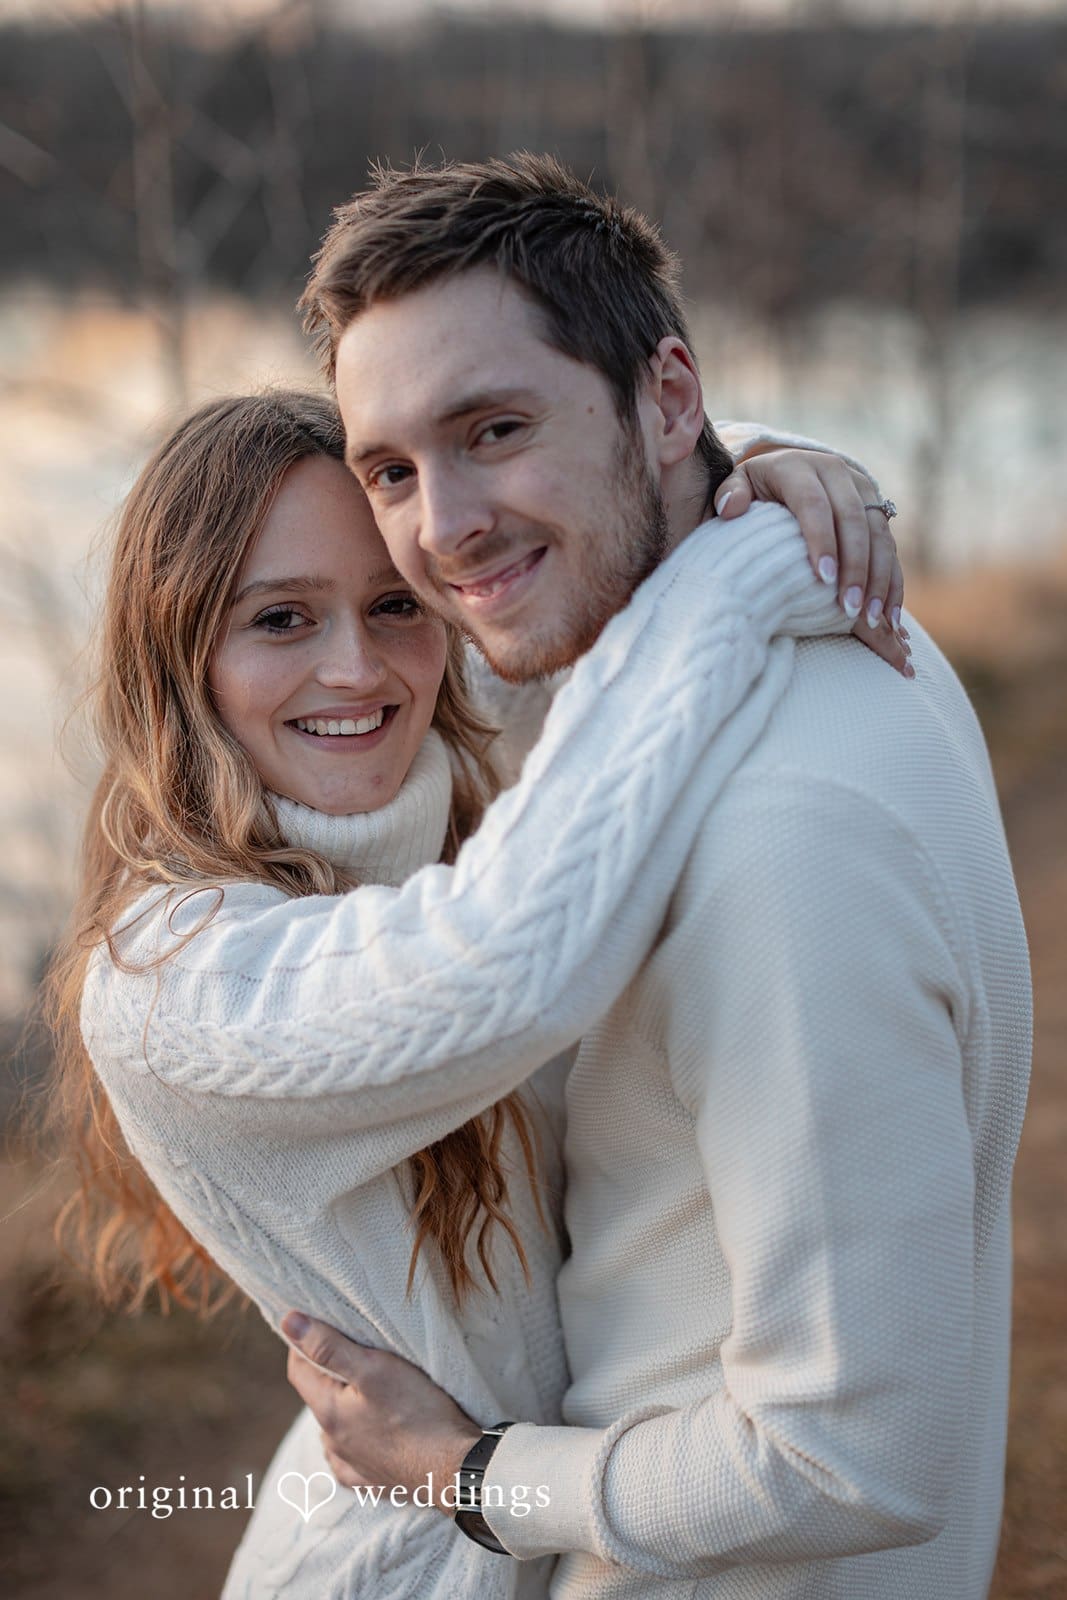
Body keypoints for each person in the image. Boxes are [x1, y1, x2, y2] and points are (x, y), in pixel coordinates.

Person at [276, 154, 1031, 1600]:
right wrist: (751, 455)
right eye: (390, 470)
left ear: (666, 397)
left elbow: (848, 1457)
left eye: (492, 428)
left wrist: (466, 1472)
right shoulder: (817, 608)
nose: (441, 527)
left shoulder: (780, 840)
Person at [51, 386, 901, 1600]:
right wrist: (751, 570)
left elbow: (606, 513)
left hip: (551, 1516)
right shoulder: (172, 980)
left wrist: (770, 464)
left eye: (394, 603)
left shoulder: (452, 760)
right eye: (281, 618)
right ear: (176, 650)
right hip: (397, 1564)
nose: (356, 668)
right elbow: (511, 963)